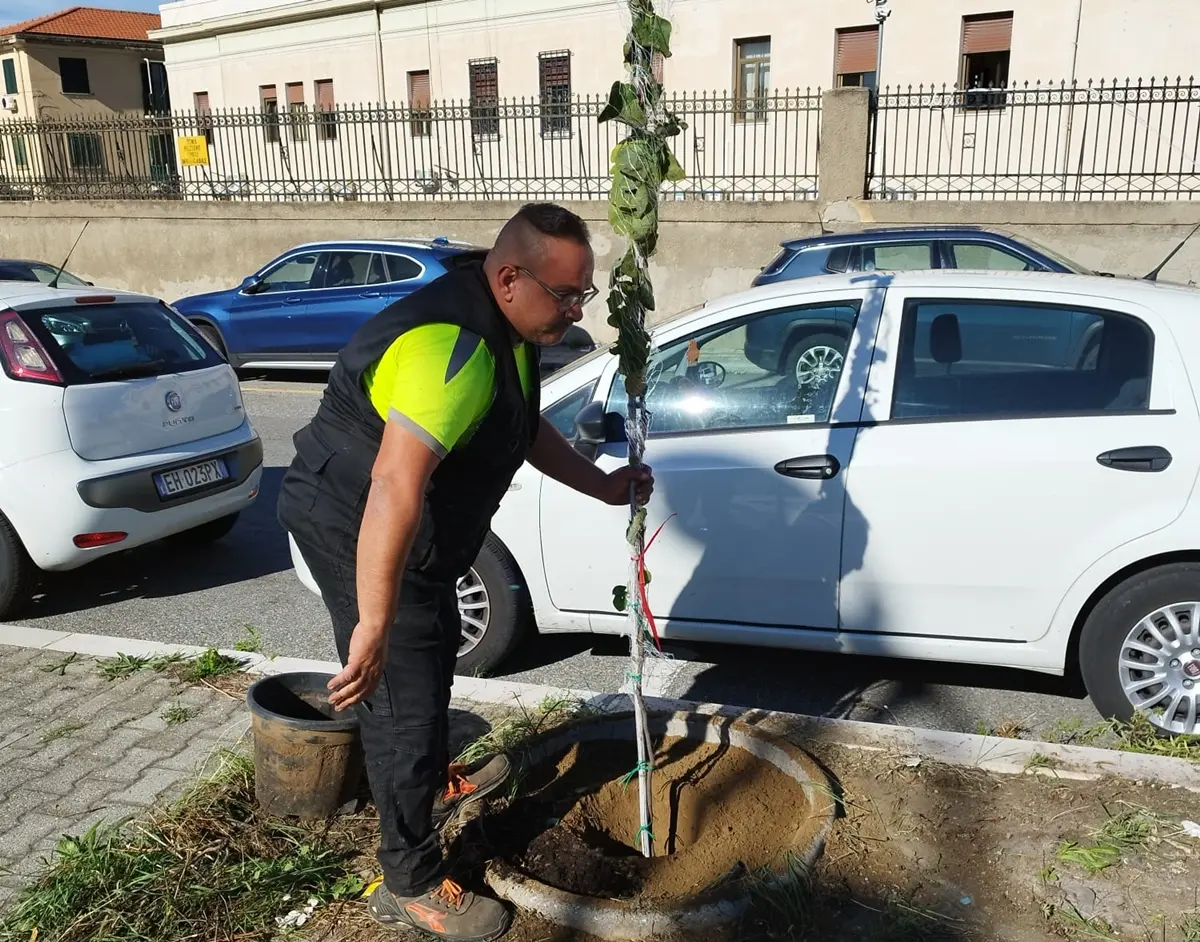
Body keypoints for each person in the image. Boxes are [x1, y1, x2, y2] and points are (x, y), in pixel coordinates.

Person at [277, 203, 653, 942]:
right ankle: (409, 879)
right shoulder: (455, 352)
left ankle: (423, 778)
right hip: (355, 518)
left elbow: (520, 423)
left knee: (435, 643)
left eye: (585, 293)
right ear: (510, 276)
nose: (579, 310)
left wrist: (602, 484)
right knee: (400, 694)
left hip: (406, 526)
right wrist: (374, 624)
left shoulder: (509, 326)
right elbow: (393, 488)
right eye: (567, 295)